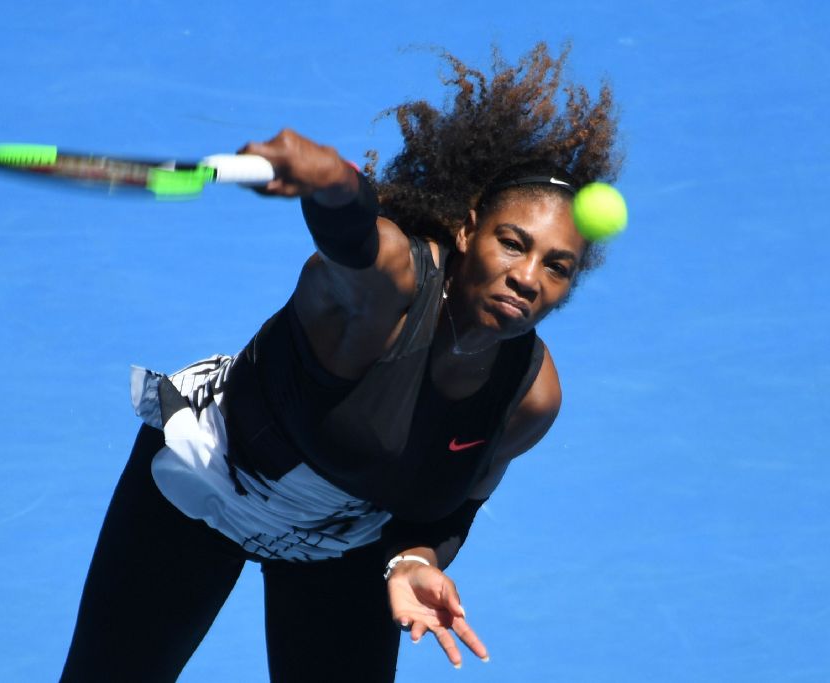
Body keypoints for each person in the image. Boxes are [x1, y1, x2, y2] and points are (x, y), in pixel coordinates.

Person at [59, 43, 621, 682]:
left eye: (557, 266)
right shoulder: (388, 288)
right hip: (209, 484)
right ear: (467, 233)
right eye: (512, 243)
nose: (527, 277)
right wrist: (330, 178)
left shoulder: (529, 396)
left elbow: (446, 512)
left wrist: (413, 559)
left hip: (339, 541)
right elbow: (354, 233)